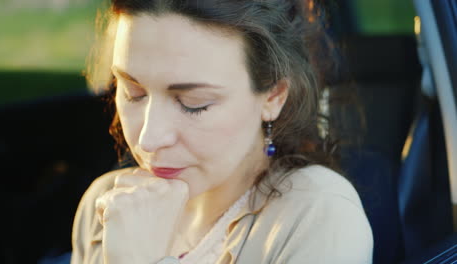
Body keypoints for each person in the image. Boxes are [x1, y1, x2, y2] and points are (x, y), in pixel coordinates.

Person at [71, 0, 374, 263]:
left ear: (273, 97)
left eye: (193, 104)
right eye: (133, 93)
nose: (149, 139)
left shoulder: (318, 215)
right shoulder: (107, 204)